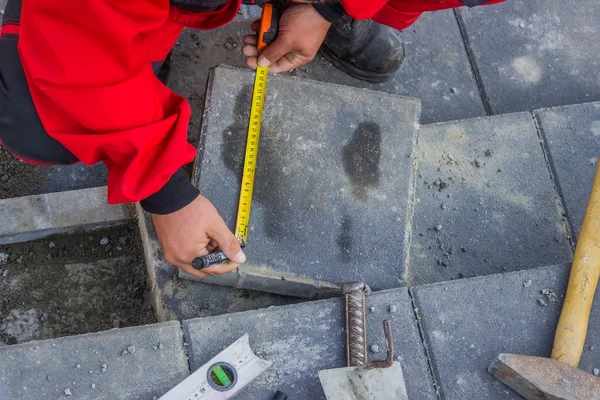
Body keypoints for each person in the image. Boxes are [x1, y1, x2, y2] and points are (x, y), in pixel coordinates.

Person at [0, 0, 502, 279]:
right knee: (43, 129)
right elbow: (79, 57)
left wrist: (329, 7)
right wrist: (165, 191)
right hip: (85, 15)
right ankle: (147, 36)